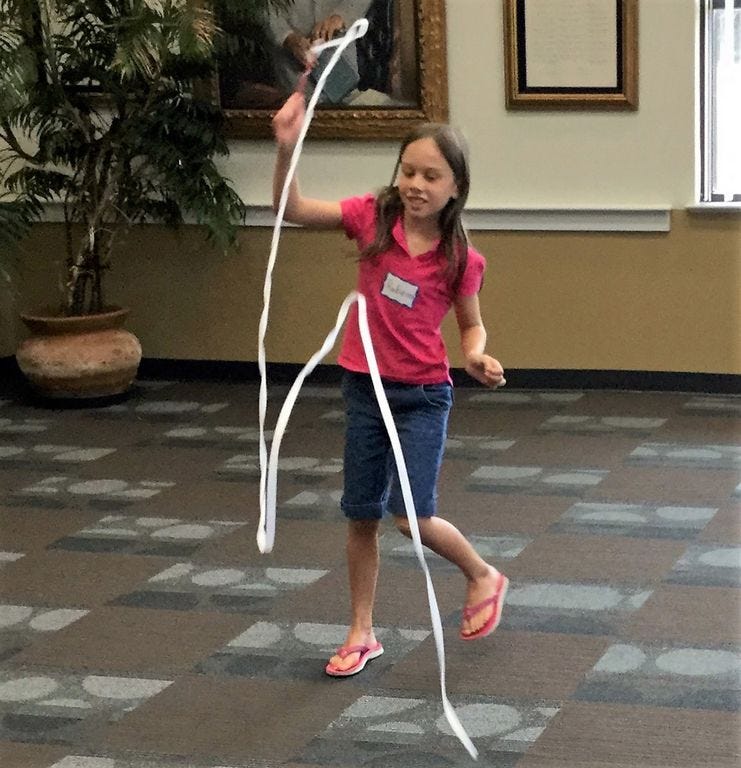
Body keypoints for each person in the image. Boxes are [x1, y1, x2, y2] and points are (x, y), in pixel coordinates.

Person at [272, 89, 509, 677]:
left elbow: (471, 325)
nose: (416, 184)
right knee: (360, 514)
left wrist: (476, 355)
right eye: (408, 170)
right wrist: (286, 149)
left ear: (456, 189)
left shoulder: (459, 257)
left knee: (410, 516)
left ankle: (482, 574)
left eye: (432, 176)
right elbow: (292, 209)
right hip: (363, 390)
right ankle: (361, 631)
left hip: (423, 397)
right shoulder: (372, 219)